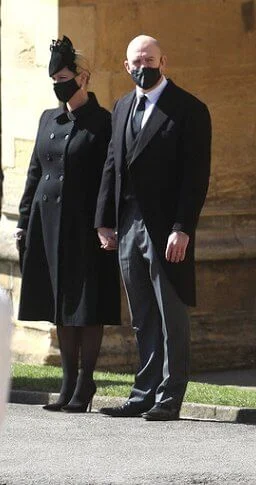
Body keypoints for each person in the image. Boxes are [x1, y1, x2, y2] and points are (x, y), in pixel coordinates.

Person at [95, 35, 211, 421]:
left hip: (166, 229)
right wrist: (104, 221)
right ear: (126, 67)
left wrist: (182, 227)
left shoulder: (189, 109)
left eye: (150, 59)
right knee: (142, 314)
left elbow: (195, 177)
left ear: (164, 61)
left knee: (170, 314)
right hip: (128, 224)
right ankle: (143, 392)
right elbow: (113, 165)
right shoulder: (122, 106)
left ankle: (169, 394)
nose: (143, 67)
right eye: (136, 62)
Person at [15, 36, 120, 413]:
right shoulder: (49, 118)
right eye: (54, 78)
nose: (59, 83)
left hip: (85, 227)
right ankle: (67, 384)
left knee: (86, 306)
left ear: (83, 77)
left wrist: (106, 223)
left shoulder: (103, 122)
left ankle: (85, 382)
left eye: (64, 76)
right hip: (48, 225)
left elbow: (111, 177)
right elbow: (34, 173)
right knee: (60, 306)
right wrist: (23, 221)